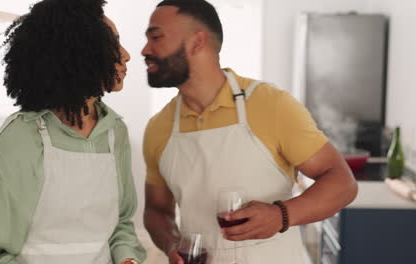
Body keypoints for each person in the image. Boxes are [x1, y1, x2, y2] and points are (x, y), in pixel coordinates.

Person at [141, 0, 358, 263]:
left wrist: (282, 215)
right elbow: (156, 210)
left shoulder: (270, 104)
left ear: (198, 42)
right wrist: (170, 242)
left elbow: (342, 183)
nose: (145, 50)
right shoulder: (159, 128)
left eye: (157, 37)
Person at [0, 0, 145, 263]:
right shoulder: (18, 143)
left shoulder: (115, 132)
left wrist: (127, 258)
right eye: (113, 44)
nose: (126, 55)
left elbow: (121, 225)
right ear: (78, 54)